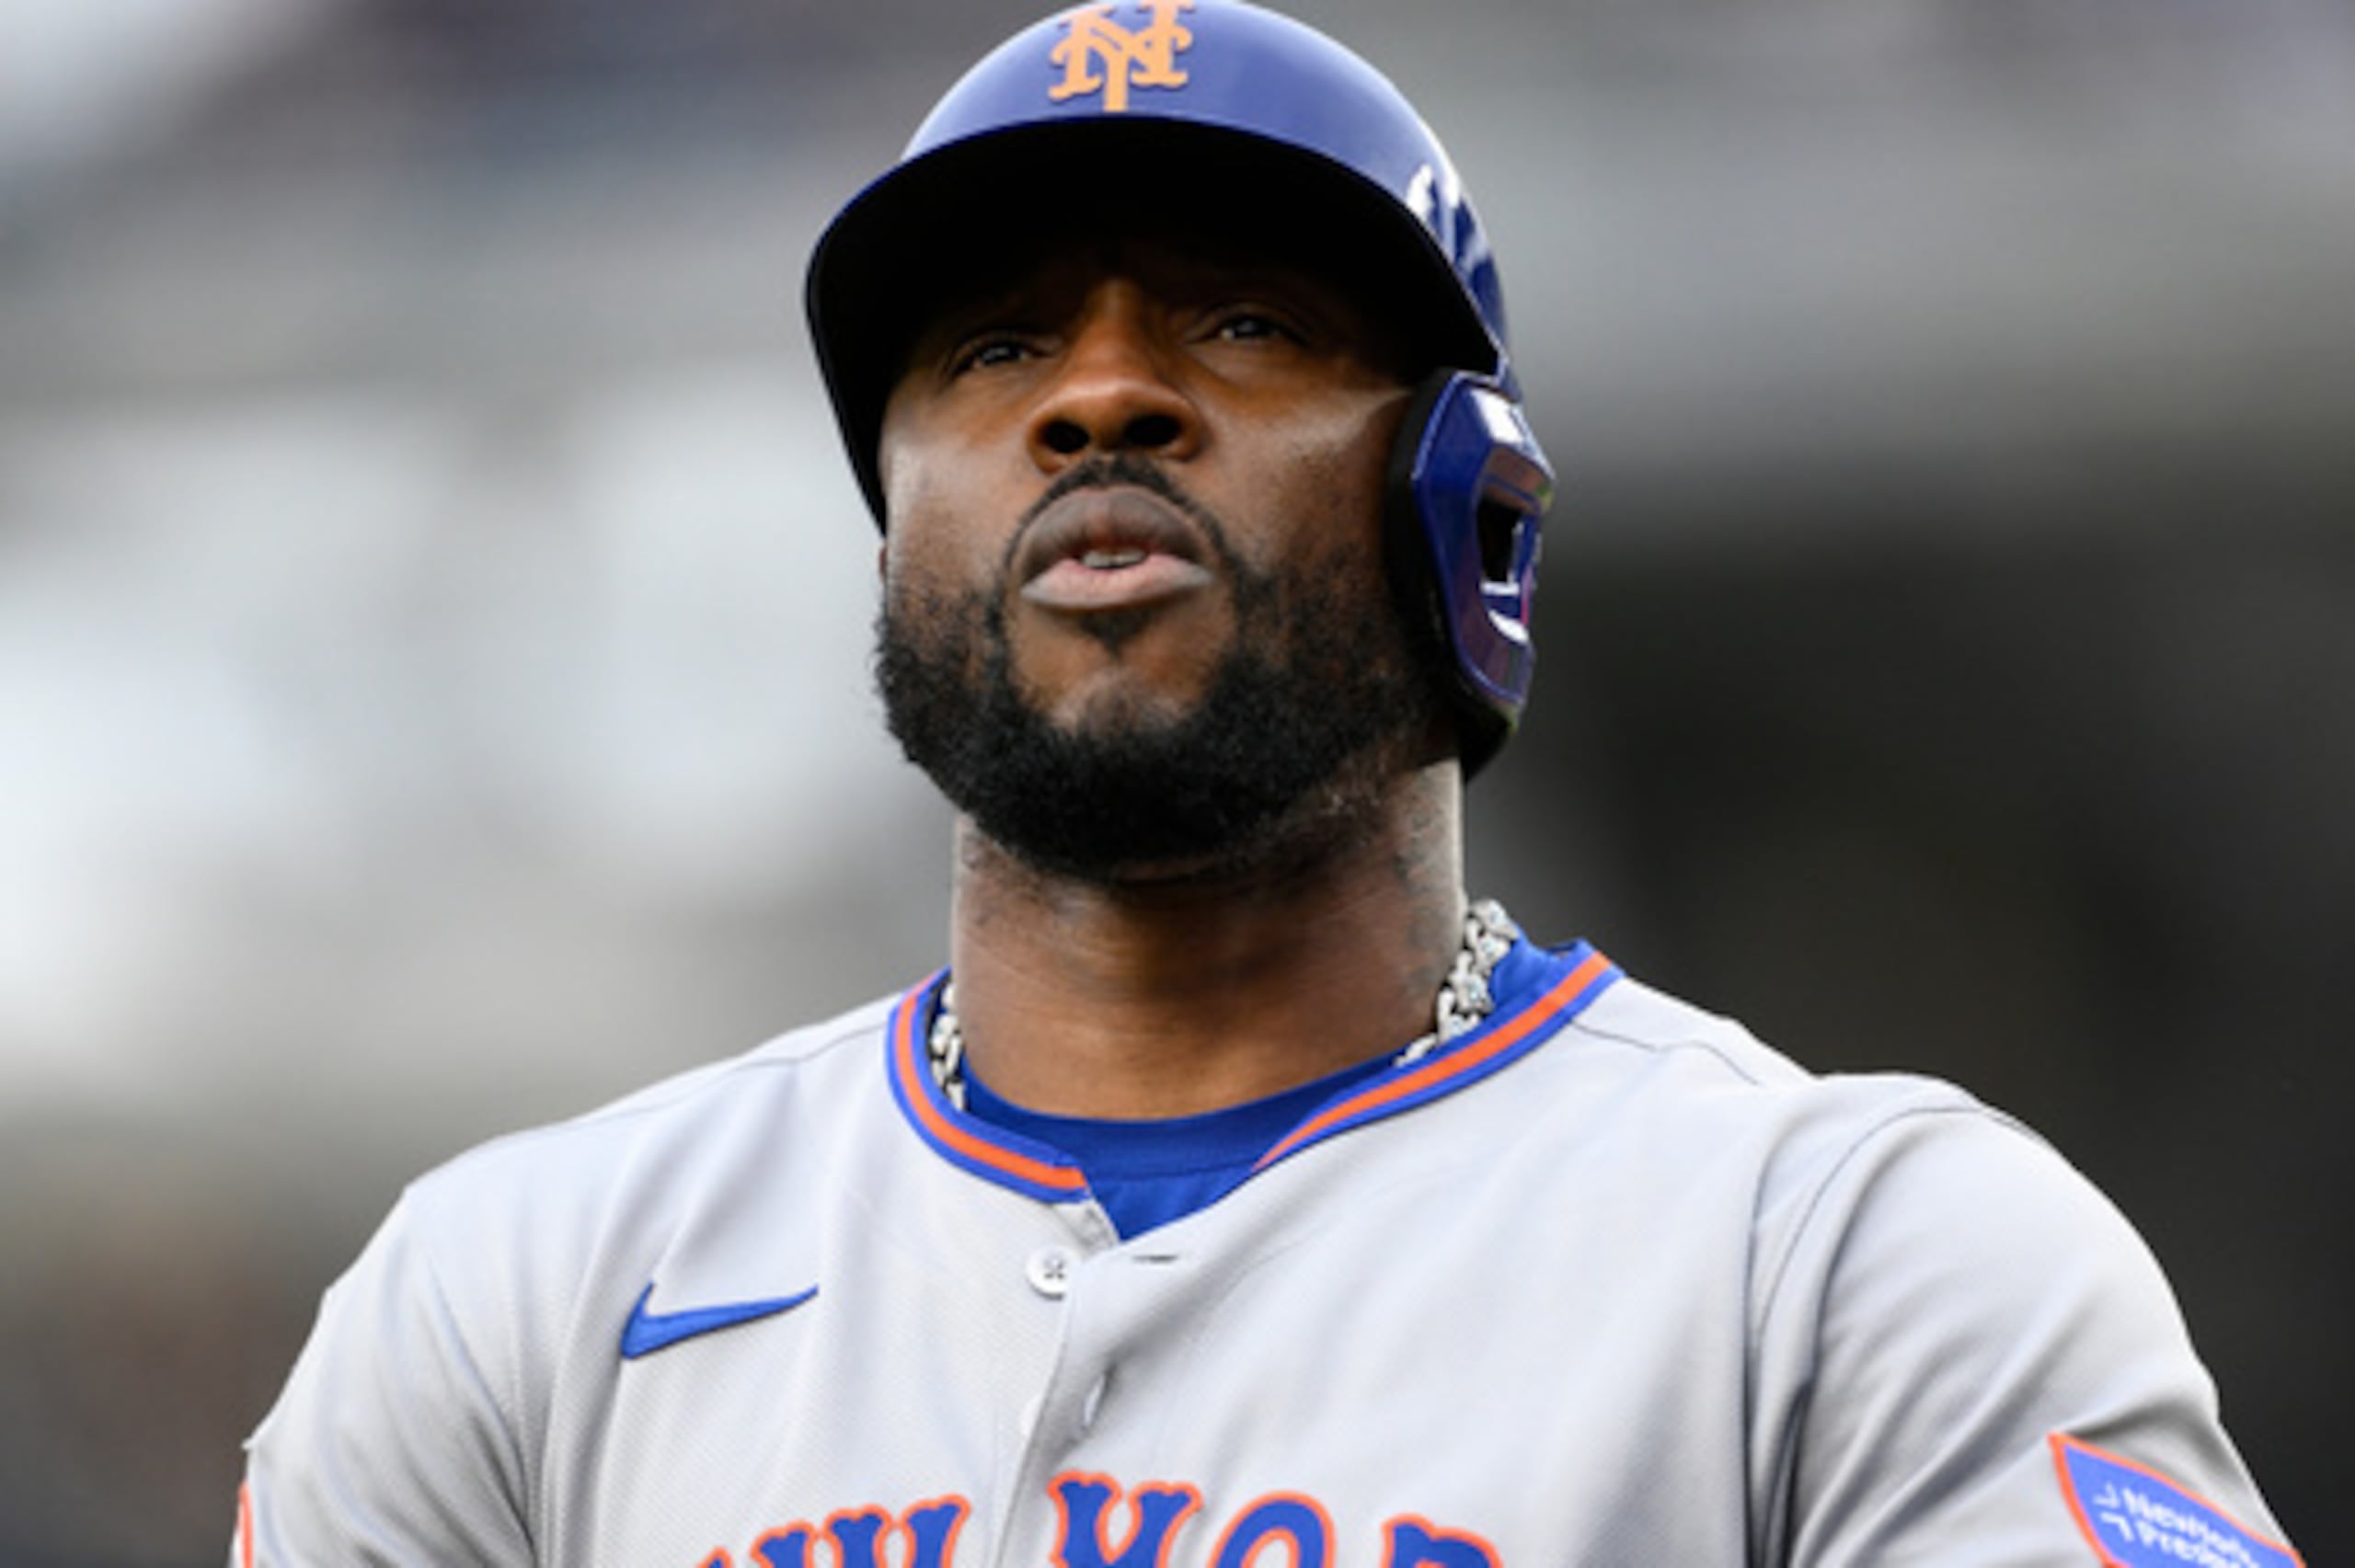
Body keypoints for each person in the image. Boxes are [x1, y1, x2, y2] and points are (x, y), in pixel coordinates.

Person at [235, 3, 2303, 1563]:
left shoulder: (1841, 1261)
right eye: (987, 349)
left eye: (1238, 319)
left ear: (1460, 511)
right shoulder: (516, 1297)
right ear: (895, 531)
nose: (1098, 392)